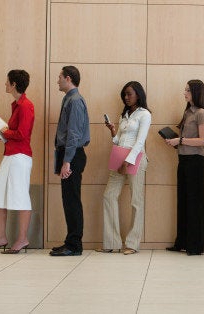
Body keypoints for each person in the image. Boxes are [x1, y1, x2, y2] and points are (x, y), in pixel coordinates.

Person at [0, 69, 35, 254]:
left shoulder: (26, 106)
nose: (5, 85)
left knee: (20, 197)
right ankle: (1, 237)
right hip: (10, 155)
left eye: (7, 82)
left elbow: (22, 134)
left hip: (20, 157)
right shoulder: (17, 105)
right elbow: (13, 135)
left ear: (13, 84)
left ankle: (22, 239)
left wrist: (3, 130)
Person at [99, 81, 151, 255]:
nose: (126, 98)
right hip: (119, 158)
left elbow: (140, 141)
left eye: (129, 94)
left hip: (135, 158)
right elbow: (118, 141)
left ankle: (132, 243)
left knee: (136, 201)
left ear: (138, 94)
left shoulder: (144, 114)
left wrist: (128, 161)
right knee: (109, 196)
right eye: (124, 95)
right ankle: (112, 242)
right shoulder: (124, 115)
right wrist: (113, 131)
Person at [164, 80, 204, 256]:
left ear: (196, 93)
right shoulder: (187, 113)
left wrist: (181, 140)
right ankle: (181, 242)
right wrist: (175, 141)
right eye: (185, 90)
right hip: (183, 159)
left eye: (188, 91)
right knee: (183, 202)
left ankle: (195, 245)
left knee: (194, 203)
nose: (184, 93)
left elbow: (203, 140)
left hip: (195, 162)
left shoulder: (201, 113)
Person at [50, 66, 90, 257]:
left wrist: (67, 161)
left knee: (72, 200)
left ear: (68, 78)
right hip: (68, 154)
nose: (57, 80)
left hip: (72, 155)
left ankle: (74, 245)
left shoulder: (74, 101)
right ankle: (70, 241)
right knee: (69, 199)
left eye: (59, 77)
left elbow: (73, 134)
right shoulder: (70, 99)